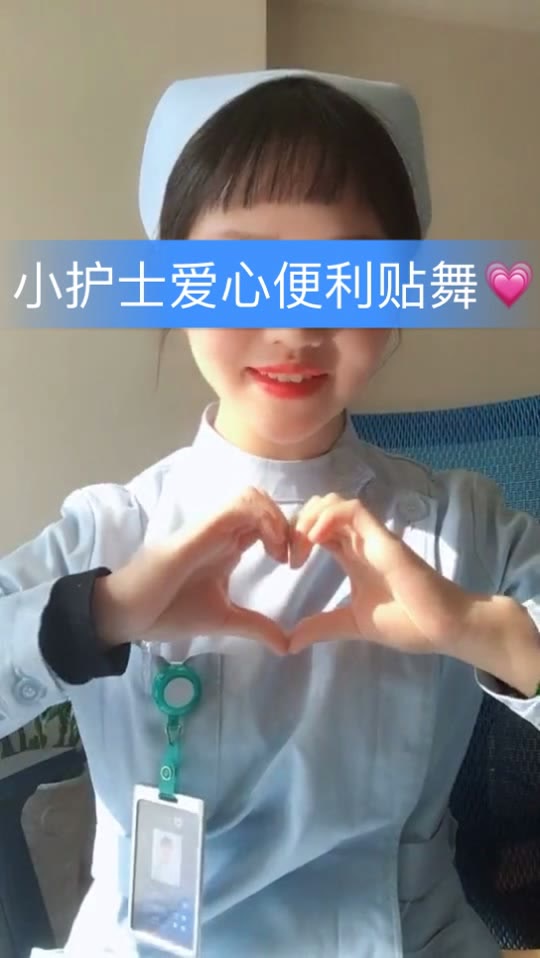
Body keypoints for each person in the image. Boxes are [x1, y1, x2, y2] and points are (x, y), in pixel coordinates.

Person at [2, 69, 539, 958]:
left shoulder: (463, 528)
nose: (294, 324)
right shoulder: (110, 532)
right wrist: (98, 614)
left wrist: (480, 628)